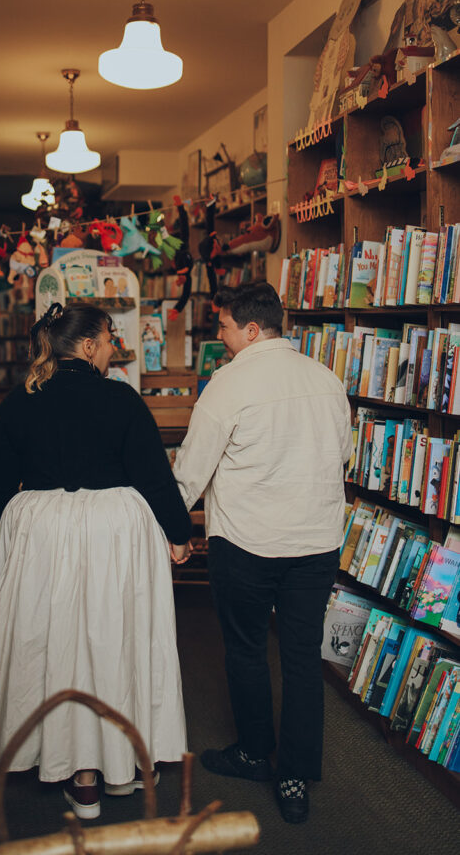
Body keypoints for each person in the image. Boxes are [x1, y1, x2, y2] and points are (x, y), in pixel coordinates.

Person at [0, 303, 192, 820]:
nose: (113, 348)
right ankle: (125, 763)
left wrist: (12, 533)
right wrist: (178, 534)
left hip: (44, 534)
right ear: (87, 347)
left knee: (57, 643)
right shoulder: (121, 399)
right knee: (118, 639)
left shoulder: (20, 401)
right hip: (114, 533)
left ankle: (81, 777)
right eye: (109, 339)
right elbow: (153, 474)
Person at [173, 283, 353, 825]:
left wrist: (168, 527)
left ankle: (254, 753)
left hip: (247, 542)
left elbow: (191, 468)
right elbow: (341, 454)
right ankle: (294, 776)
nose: (219, 336)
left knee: (247, 649)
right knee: (302, 659)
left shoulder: (228, 383)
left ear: (252, 330)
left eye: (224, 327)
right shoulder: (327, 379)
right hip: (315, 544)